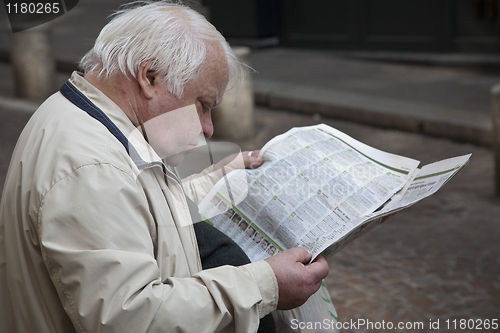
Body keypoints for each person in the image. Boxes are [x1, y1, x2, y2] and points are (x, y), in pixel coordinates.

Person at [0, 1, 329, 332]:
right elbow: (132, 318)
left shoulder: (91, 123)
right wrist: (265, 285)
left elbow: (137, 209)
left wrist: (218, 179)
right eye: (202, 105)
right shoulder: (92, 166)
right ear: (149, 77)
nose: (209, 128)